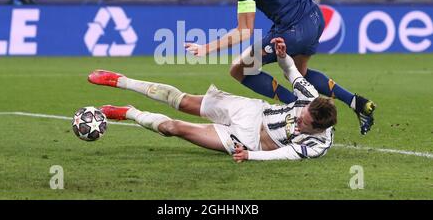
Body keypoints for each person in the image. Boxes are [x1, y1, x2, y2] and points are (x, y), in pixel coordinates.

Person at [154, 0, 375, 135]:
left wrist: (206, 49)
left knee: (240, 69)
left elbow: (244, 31)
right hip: (313, 17)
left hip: (292, 30)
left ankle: (296, 109)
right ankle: (357, 103)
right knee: (301, 74)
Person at [88, 38, 337, 161]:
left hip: (246, 141)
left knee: (173, 128)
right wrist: (282, 56)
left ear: (318, 128)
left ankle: (129, 113)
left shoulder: (318, 145)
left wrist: (250, 156)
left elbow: (283, 155)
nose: (299, 120)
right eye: (302, 115)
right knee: (183, 101)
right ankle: (121, 80)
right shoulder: (310, 98)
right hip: (252, 111)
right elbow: (291, 72)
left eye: (304, 123)